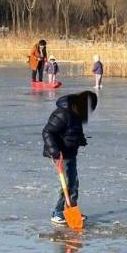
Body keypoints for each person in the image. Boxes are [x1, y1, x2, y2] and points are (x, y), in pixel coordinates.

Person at [42, 91, 98, 225]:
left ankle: (72, 209)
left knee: (73, 183)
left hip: (71, 153)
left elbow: (73, 131)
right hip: (61, 154)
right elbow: (47, 132)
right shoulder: (61, 114)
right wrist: (55, 151)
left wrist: (80, 139)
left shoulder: (75, 115)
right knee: (65, 184)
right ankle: (58, 212)